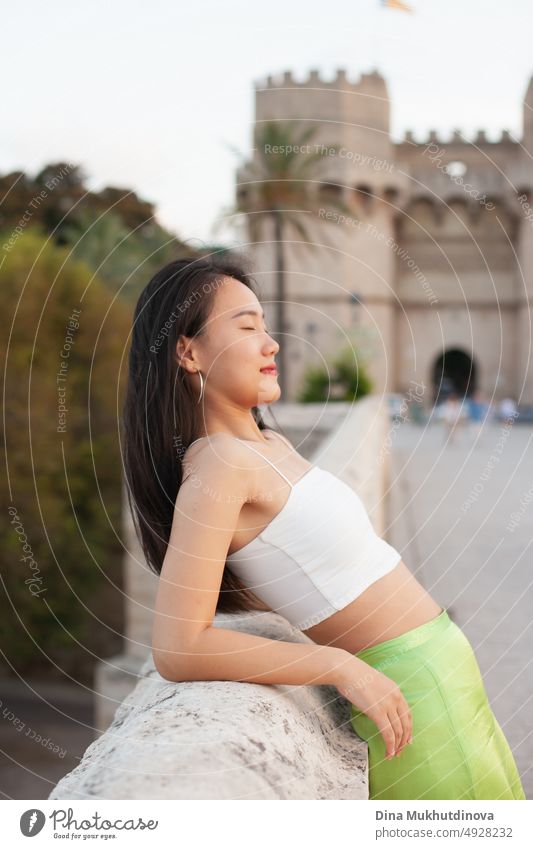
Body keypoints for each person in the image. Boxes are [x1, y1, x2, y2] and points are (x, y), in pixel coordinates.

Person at [122, 255, 525, 801]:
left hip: (446, 675)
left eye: (266, 325)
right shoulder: (220, 463)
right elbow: (178, 646)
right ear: (187, 351)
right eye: (246, 326)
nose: (272, 344)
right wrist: (335, 665)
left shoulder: (269, 446)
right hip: (409, 694)